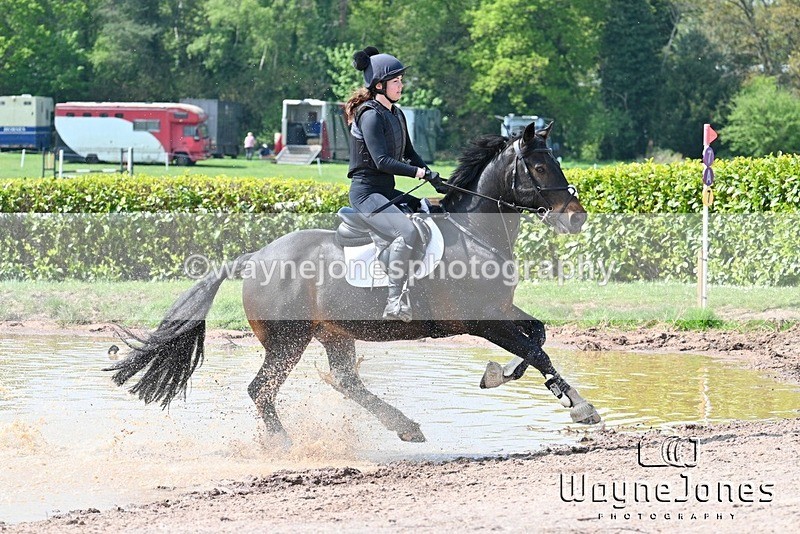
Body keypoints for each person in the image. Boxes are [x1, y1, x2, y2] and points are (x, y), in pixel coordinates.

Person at [344, 46, 448, 322]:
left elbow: (410, 153)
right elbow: (382, 161)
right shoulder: (369, 115)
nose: (401, 85)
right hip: (366, 194)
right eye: (396, 81)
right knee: (406, 233)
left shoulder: (396, 113)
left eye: (401, 80)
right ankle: (394, 302)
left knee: (431, 211)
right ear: (379, 85)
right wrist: (419, 174)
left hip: (385, 191)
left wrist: (432, 176)